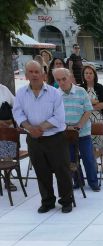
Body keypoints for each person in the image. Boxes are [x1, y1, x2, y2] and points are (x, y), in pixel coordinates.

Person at [12, 60, 73, 213]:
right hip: (34, 140)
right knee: (41, 172)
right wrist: (29, 128)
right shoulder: (20, 94)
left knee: (62, 171)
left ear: (43, 74)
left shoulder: (54, 93)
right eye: (30, 72)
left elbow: (59, 117)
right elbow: (17, 113)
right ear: (26, 75)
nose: (34, 75)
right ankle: (47, 201)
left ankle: (66, 201)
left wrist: (40, 128)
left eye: (36, 72)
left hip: (55, 138)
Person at [54, 68, 100, 192]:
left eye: (64, 79)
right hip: (66, 132)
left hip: (83, 131)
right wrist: (65, 127)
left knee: (88, 159)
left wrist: (79, 125)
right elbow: (55, 114)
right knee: (71, 160)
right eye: (58, 80)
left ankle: (93, 182)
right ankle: (78, 181)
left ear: (70, 78)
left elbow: (88, 110)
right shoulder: (55, 94)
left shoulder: (81, 91)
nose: (62, 82)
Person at [81, 65, 103, 177]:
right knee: (91, 142)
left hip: (100, 117)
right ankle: (94, 163)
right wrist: (93, 102)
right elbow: (80, 104)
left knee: (102, 141)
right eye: (86, 73)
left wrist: (88, 105)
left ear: (94, 75)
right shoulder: (81, 88)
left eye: (90, 73)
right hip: (86, 119)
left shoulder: (100, 87)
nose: (88, 75)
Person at [0, 83, 18, 191]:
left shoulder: (3, 89)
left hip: (6, 131)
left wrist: (12, 120)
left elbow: (16, 105)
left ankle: (8, 179)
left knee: (7, 153)